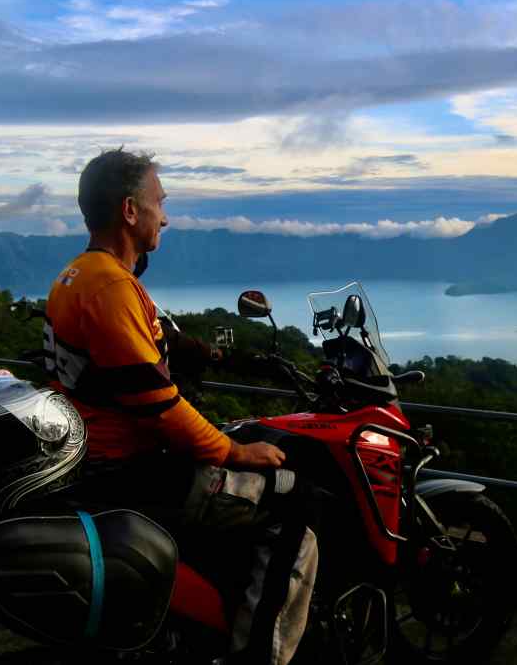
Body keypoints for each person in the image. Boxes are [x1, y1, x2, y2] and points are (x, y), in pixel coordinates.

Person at [43, 148, 317, 664]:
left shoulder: (80, 274)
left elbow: (161, 349)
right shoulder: (109, 289)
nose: (164, 216)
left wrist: (235, 359)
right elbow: (162, 408)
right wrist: (236, 452)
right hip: (131, 471)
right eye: (158, 203)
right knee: (293, 503)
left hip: (97, 460)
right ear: (130, 211)